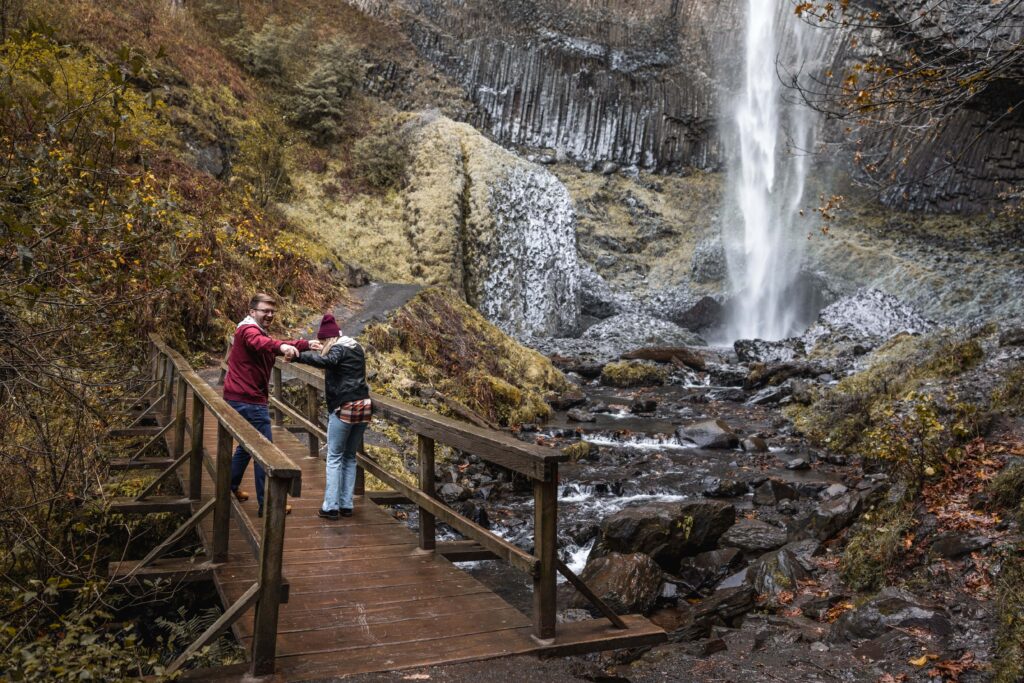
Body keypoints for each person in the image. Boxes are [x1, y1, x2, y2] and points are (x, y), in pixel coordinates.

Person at [223, 293, 318, 517]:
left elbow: (271, 343)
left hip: (239, 397)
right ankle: (267, 504)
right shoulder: (249, 331)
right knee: (265, 452)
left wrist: (304, 345)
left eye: (272, 311)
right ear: (252, 311)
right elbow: (264, 344)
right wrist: (283, 349)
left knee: (247, 447)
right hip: (249, 401)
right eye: (265, 310)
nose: (269, 315)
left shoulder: (250, 328)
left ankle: (228, 487)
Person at [293, 312, 371, 520]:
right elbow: (335, 359)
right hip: (364, 405)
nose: (321, 343)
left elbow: (328, 361)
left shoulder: (337, 348)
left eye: (322, 340)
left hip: (344, 406)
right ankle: (346, 504)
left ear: (329, 338)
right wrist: (319, 349)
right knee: (350, 457)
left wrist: (300, 356)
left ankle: (331, 506)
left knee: (334, 456)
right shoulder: (355, 347)